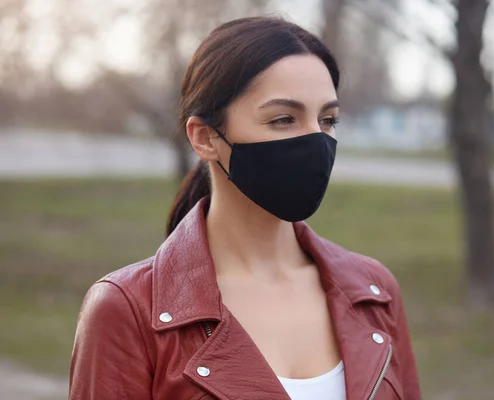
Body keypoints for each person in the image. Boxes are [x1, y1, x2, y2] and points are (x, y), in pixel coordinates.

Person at [69, 16, 420, 400]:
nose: (316, 142)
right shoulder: (127, 309)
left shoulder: (374, 292)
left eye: (327, 119)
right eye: (283, 119)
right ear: (205, 138)